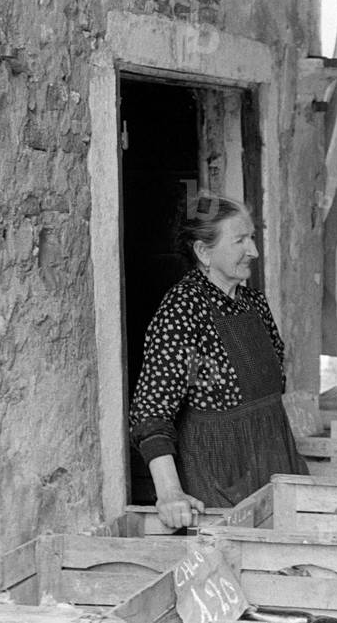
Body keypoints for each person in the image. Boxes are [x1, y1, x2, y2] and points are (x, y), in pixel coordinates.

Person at [130, 194, 307, 529]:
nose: (253, 250)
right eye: (240, 240)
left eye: (252, 237)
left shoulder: (253, 302)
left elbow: (262, 387)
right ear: (203, 252)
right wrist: (169, 492)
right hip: (220, 481)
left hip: (275, 465)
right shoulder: (182, 309)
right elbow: (151, 410)